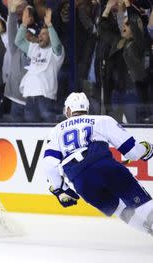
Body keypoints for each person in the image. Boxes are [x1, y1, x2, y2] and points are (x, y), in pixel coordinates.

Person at [43, 92, 153, 236]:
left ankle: (149, 231)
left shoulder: (56, 130)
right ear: (87, 109)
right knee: (141, 203)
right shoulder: (102, 120)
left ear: (68, 110)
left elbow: (49, 165)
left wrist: (60, 190)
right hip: (104, 167)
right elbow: (132, 152)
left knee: (121, 210)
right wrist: (147, 148)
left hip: (81, 182)